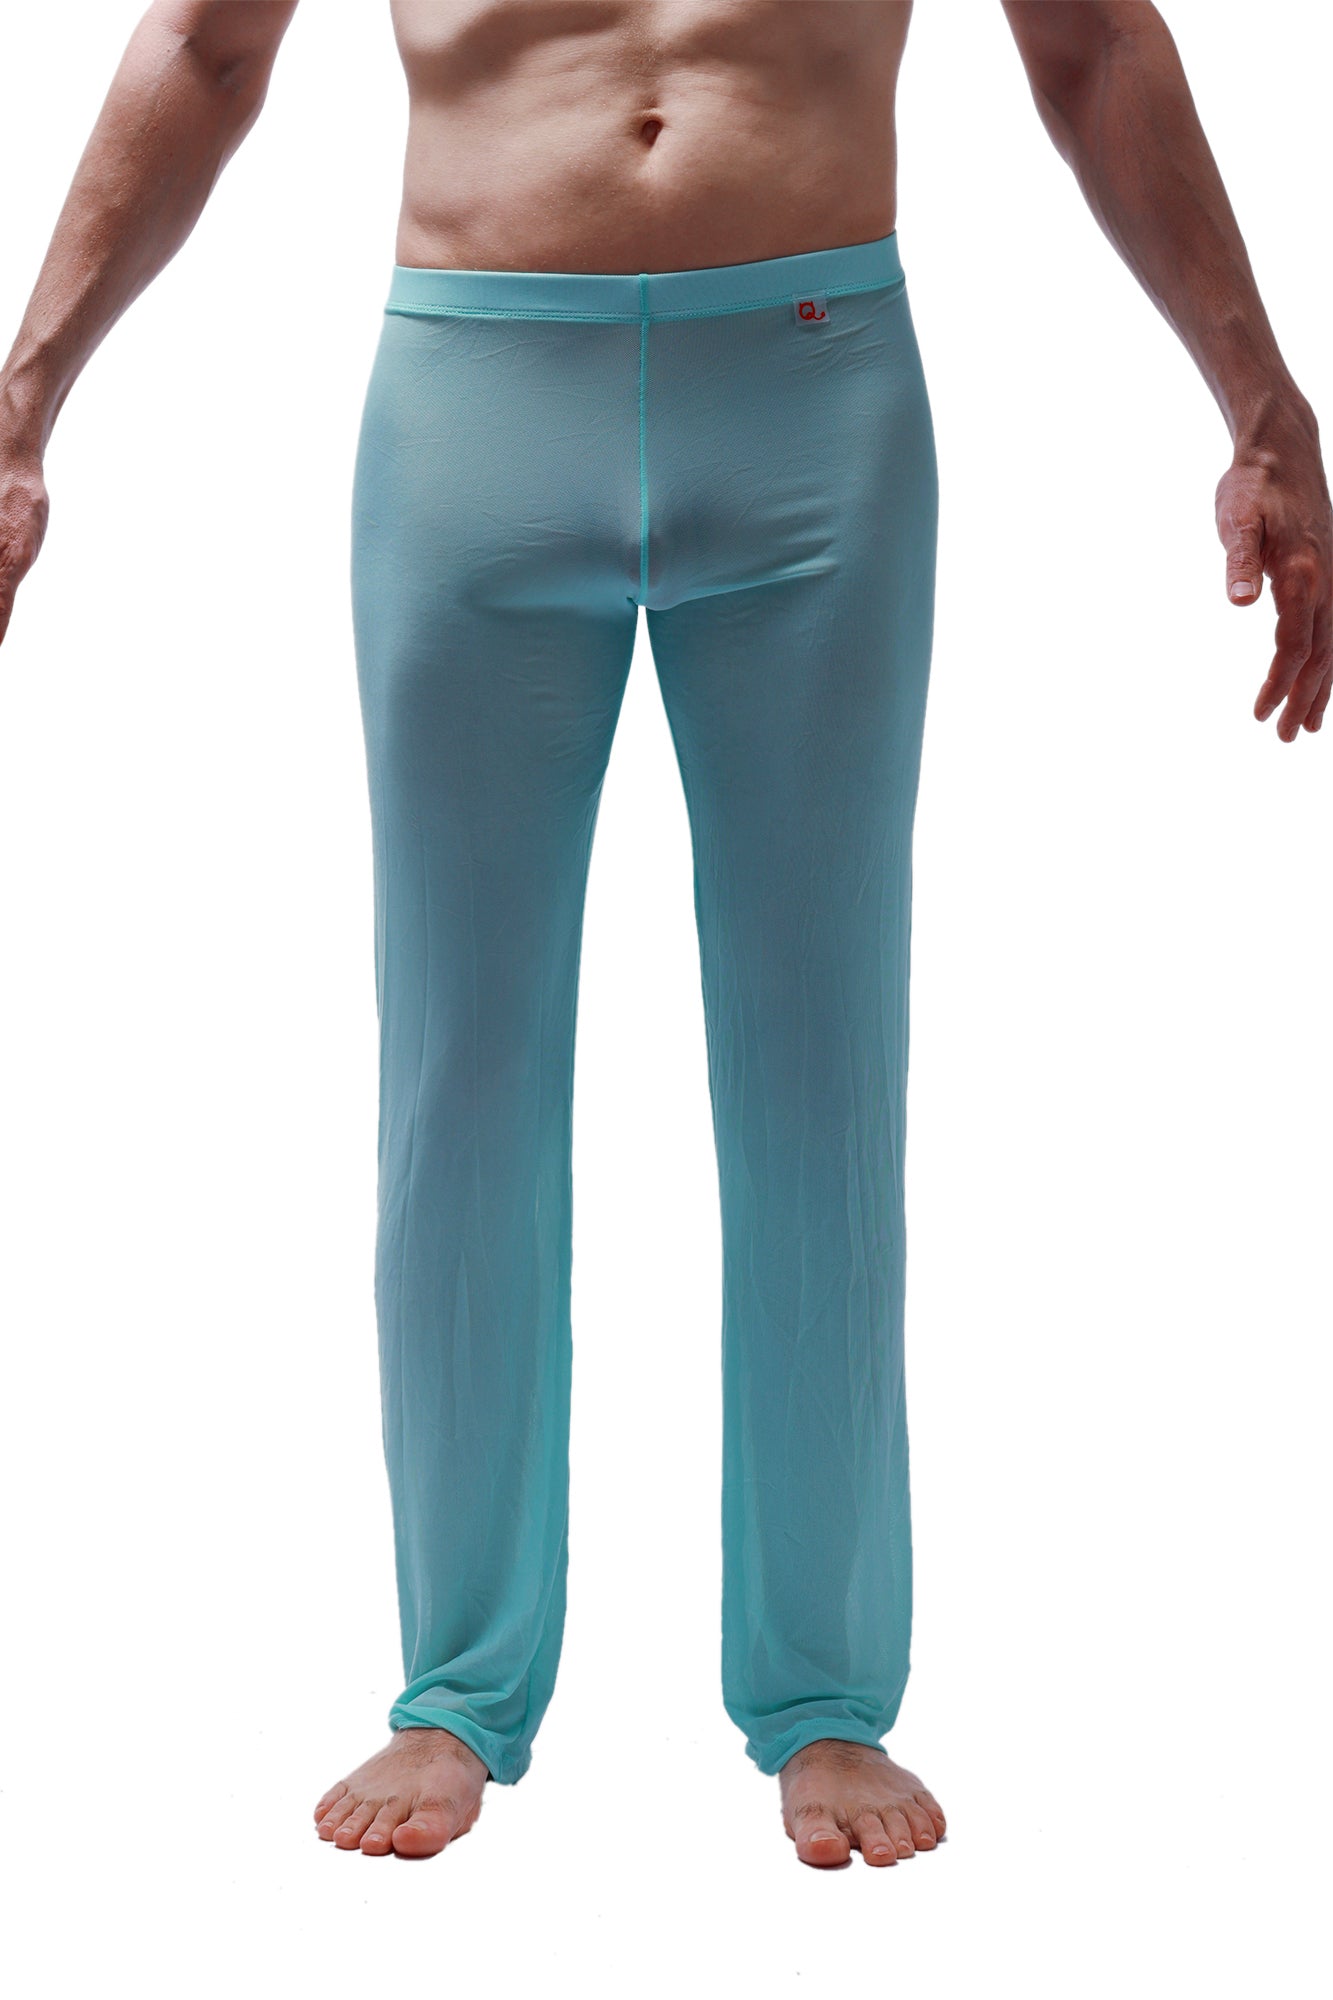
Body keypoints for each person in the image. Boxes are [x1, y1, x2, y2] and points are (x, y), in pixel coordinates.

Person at [1, 0, 1328, 1871]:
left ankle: (824, 1692)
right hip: (479, 394)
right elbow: (207, 49)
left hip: (813, 397)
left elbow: (1095, 43)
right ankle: (457, 1683)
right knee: (458, 1074)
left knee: (819, 1057)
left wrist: (1261, 408)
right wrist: (22, 402)